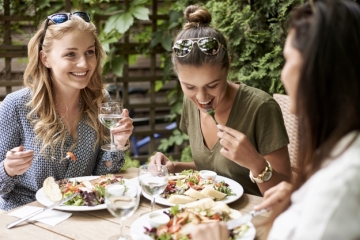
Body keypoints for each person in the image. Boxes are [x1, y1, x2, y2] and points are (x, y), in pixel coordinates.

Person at [190, 0, 360, 239]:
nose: (283, 72)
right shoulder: (337, 157)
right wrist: (298, 199)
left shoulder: (340, 185)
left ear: (318, 70)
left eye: (288, 58)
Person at [150, 5, 292, 196]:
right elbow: (216, 171)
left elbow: (286, 194)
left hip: (256, 218)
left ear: (228, 67)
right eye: (190, 87)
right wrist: (174, 167)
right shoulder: (189, 103)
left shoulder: (260, 107)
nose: (202, 98)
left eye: (212, 85)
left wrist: (255, 163)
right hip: (209, 216)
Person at [0, 12, 134, 211]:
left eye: (89, 52)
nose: (84, 64)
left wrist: (118, 143)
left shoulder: (100, 102)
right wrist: (8, 169)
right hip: (26, 216)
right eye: (70, 54)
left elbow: (100, 176)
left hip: (79, 212)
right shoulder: (17, 105)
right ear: (45, 58)